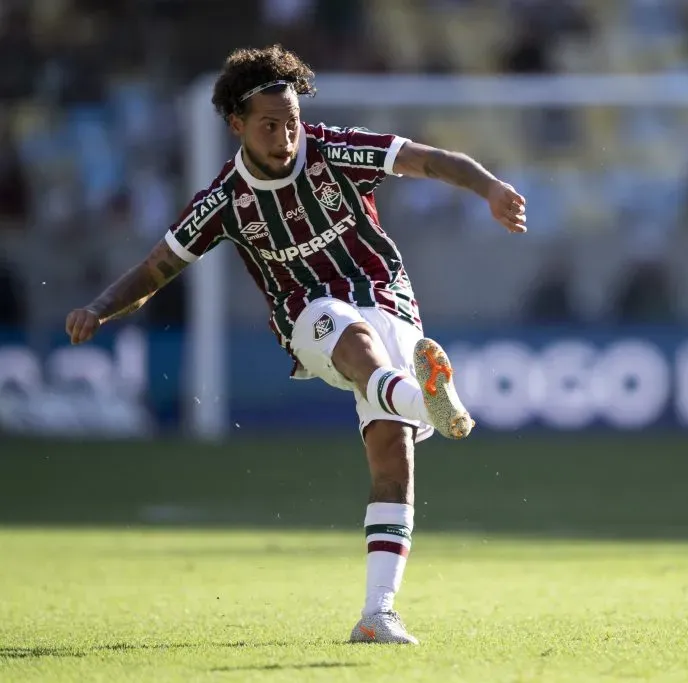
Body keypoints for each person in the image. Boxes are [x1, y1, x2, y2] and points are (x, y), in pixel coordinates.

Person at [64, 45, 527, 645]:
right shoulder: (225, 199)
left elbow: (430, 160)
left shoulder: (334, 149)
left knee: (393, 452)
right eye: (269, 125)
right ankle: (431, 404)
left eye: (291, 122)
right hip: (307, 317)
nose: (286, 136)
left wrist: (489, 188)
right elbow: (157, 269)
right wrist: (100, 309)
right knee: (352, 336)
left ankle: (377, 614)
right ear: (236, 123)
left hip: (388, 297)